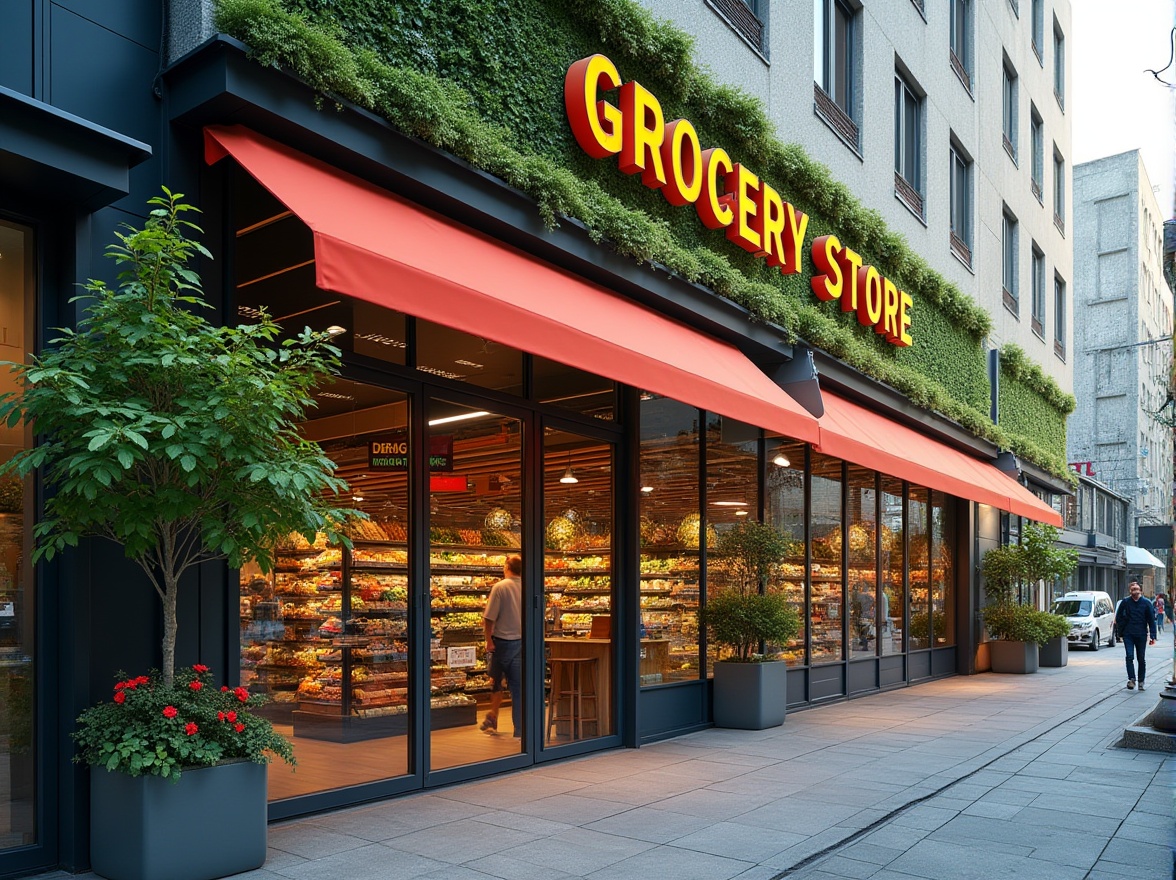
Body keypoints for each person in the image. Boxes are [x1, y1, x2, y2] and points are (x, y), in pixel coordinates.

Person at [481, 554, 523, 737]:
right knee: (518, 687)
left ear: (507, 567)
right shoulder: (528, 586)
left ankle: (493, 716)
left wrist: (488, 640)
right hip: (522, 643)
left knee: (497, 681)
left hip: (502, 643)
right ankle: (520, 729)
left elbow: (489, 617)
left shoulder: (500, 587)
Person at [1114, 581, 1157, 691]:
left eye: (1137, 589)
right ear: (1130, 591)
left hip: (1141, 634)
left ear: (1140, 590)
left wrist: (1153, 635)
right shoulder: (1125, 602)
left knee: (1141, 658)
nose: (1135, 591)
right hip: (1128, 634)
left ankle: (1141, 681)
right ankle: (1132, 679)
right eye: (1133, 589)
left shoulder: (1146, 603)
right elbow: (1118, 617)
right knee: (1129, 656)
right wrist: (1122, 629)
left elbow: (1151, 620)